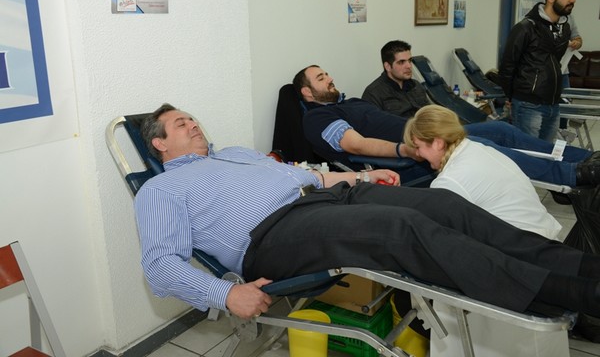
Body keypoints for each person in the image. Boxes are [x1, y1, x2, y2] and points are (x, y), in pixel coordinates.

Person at [135, 103, 600, 322]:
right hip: (274, 236)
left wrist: (363, 177)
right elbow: (159, 266)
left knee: (446, 205)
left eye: (192, 117)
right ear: (159, 143)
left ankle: (582, 266)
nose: (193, 123)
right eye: (180, 124)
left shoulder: (234, 153)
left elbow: (306, 177)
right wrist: (225, 294)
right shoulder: (161, 189)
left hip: (327, 199)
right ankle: (576, 295)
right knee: (402, 229)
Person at [295, 64, 600, 186]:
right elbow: (357, 145)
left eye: (327, 73)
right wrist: (406, 149)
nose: (330, 78)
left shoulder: (348, 102)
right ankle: (573, 175)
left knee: (501, 130)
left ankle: (584, 158)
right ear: (307, 93)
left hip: (428, 135)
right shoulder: (317, 118)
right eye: (321, 78)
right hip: (414, 154)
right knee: (486, 147)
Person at [403, 104, 562, 239]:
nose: (417, 154)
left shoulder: (449, 181)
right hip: (545, 236)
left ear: (438, 143)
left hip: (526, 249)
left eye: (418, 147)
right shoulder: (477, 148)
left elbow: (441, 236)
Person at [499, 0, 579, 142]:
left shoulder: (564, 29)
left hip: (553, 103)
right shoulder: (525, 28)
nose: (573, 0)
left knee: (546, 152)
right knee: (528, 152)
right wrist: (511, 98)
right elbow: (507, 66)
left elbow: (553, 62)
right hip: (528, 104)